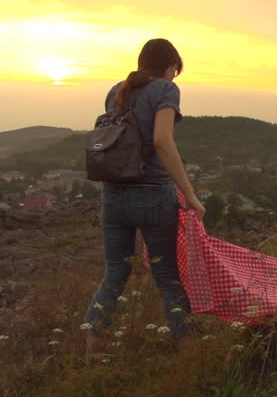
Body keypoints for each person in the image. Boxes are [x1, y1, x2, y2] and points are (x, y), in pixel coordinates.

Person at [83, 38, 206, 355]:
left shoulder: (117, 90)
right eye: (175, 71)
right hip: (152, 194)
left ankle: (93, 343)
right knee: (166, 275)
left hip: (114, 195)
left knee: (115, 271)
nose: (174, 77)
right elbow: (162, 141)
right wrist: (190, 194)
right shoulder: (166, 89)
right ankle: (188, 350)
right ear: (170, 67)